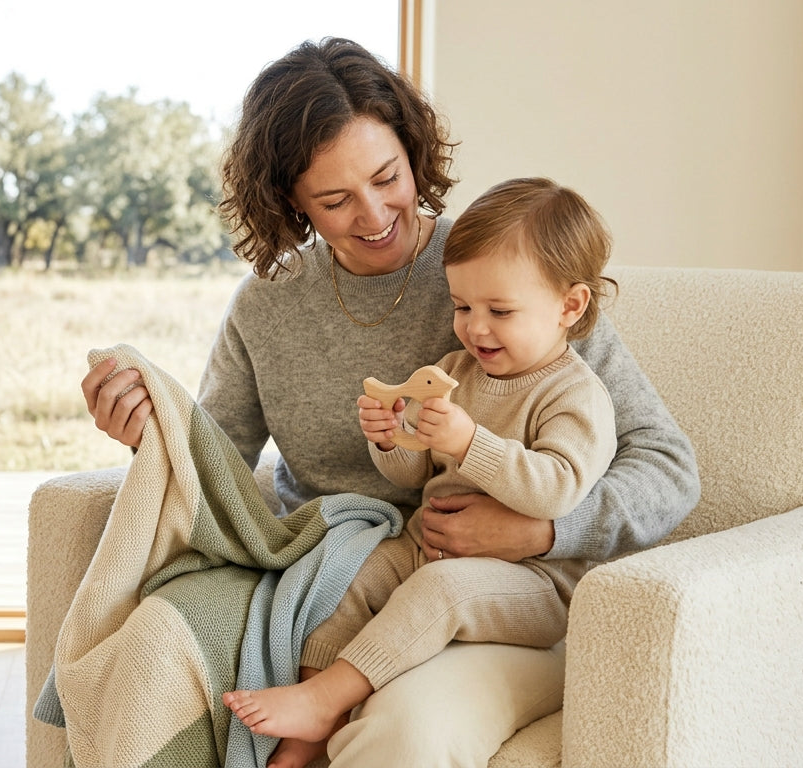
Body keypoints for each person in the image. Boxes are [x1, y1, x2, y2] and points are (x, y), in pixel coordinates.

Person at [81, 37, 699, 768]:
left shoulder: (500, 277)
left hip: (495, 590)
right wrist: (147, 432)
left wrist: (537, 533)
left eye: (387, 177)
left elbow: (667, 468)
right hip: (330, 568)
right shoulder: (269, 306)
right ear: (290, 200)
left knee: (401, 732)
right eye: (335, 200)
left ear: (414, 155)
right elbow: (216, 462)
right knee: (154, 648)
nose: (374, 215)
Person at [222, 177, 619, 768]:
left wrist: (469, 440)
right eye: (462, 307)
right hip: (427, 548)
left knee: (439, 591)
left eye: (499, 311)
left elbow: (556, 488)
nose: (475, 327)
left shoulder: (574, 394)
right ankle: (308, 728)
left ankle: (328, 697)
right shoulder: (458, 368)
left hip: (537, 582)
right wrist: (390, 439)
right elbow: (415, 476)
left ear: (571, 305)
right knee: (346, 580)